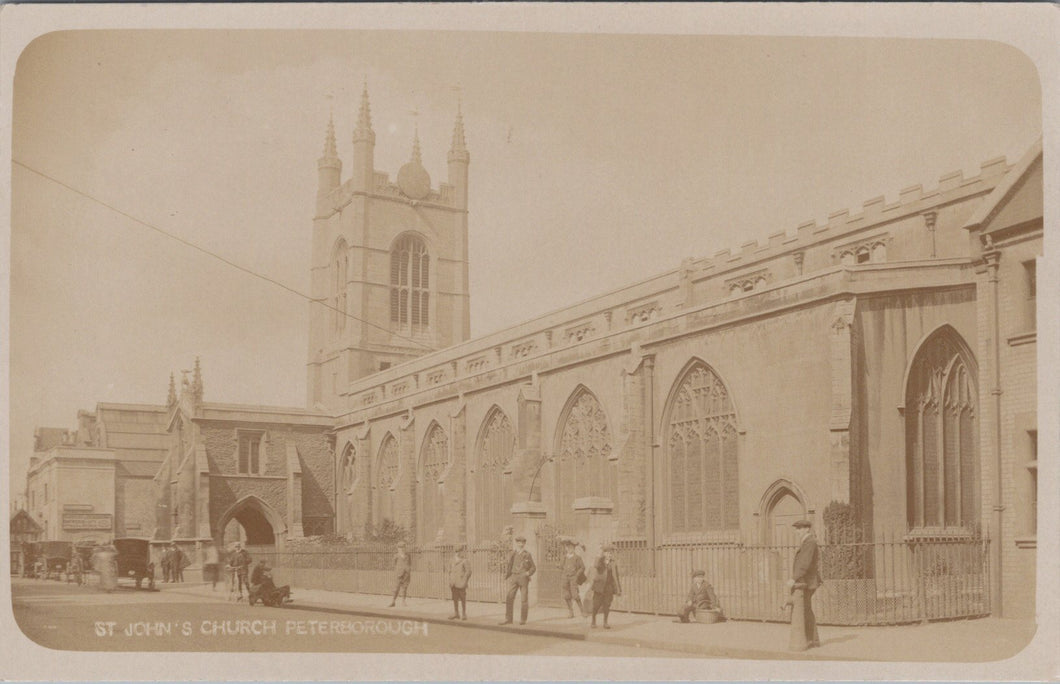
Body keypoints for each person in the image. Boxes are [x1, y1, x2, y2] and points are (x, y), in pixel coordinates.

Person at [787, 518, 822, 651]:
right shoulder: (807, 541)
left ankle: (810, 640)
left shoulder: (810, 542)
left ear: (807, 529)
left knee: (804, 609)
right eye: (797, 528)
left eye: (800, 528)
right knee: (806, 608)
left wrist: (794, 578)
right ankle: (812, 639)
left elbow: (804, 563)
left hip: (807, 581)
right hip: (805, 580)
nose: (797, 531)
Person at [499, 535, 536, 625]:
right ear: (516, 543)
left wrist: (528, 573)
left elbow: (533, 567)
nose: (520, 544)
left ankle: (523, 619)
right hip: (514, 577)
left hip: (523, 579)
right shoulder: (513, 553)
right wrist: (508, 574)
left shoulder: (527, 554)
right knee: (509, 597)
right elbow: (509, 564)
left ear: (524, 544)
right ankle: (508, 619)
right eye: (519, 542)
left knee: (524, 599)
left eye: (522, 543)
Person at [590, 544, 621, 629]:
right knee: (596, 605)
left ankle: (605, 622)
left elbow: (616, 576)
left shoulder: (613, 563)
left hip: (608, 587)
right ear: (604, 554)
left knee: (607, 605)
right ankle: (593, 621)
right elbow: (595, 565)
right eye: (607, 553)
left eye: (611, 553)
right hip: (599, 587)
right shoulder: (600, 561)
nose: (609, 555)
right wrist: (598, 555)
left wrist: (618, 589)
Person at [560, 538, 587, 618]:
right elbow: (561, 566)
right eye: (568, 547)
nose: (569, 549)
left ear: (574, 548)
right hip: (565, 578)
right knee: (566, 595)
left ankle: (582, 611)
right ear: (566, 548)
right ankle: (571, 612)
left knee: (575, 595)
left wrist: (576, 575)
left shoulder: (577, 557)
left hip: (573, 578)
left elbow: (582, 568)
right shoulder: (564, 557)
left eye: (571, 548)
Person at [447, 545, 472, 620]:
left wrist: (464, 580)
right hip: (453, 583)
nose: (457, 553)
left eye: (459, 551)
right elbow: (449, 570)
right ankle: (456, 613)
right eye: (456, 551)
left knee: (462, 598)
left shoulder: (465, 561)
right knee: (454, 598)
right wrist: (451, 579)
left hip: (461, 583)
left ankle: (464, 614)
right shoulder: (451, 560)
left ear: (462, 552)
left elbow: (468, 572)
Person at [388, 541, 411, 607]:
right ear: (398, 548)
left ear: (405, 548)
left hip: (406, 574)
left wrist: (408, 570)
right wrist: (398, 570)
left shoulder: (408, 555)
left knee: (404, 588)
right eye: (400, 547)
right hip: (398, 574)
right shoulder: (396, 556)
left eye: (403, 547)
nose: (401, 549)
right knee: (396, 588)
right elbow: (394, 564)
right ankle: (393, 601)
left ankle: (403, 602)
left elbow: (409, 563)